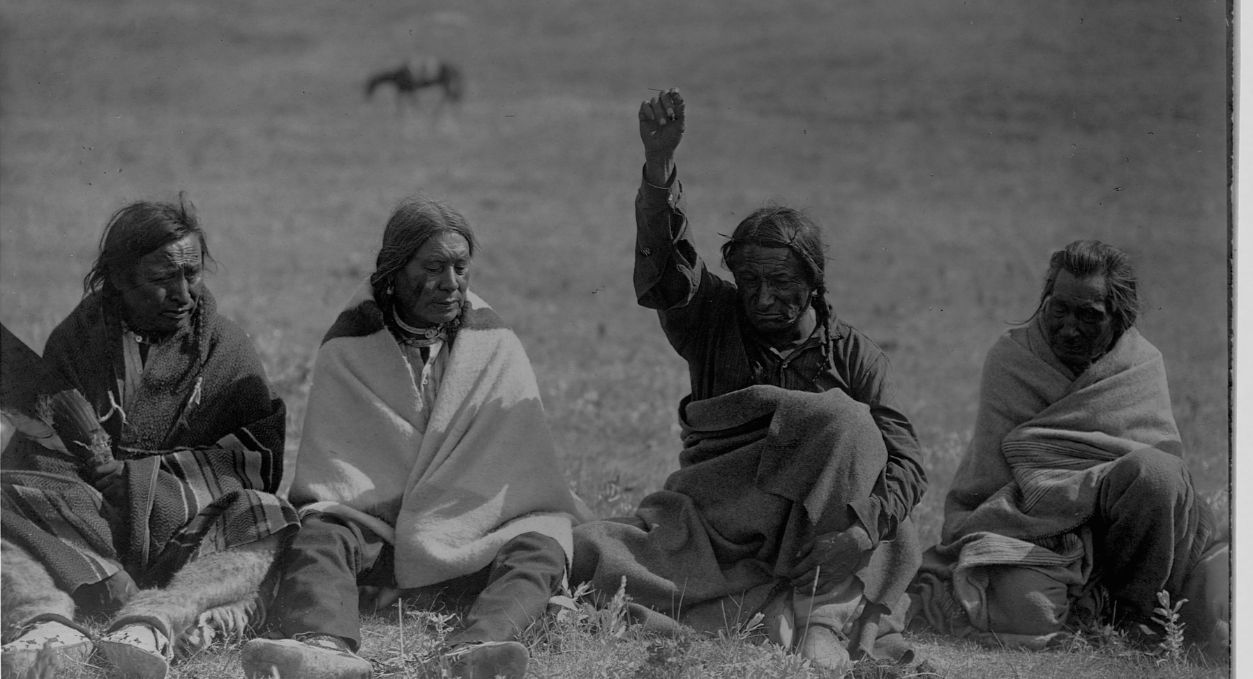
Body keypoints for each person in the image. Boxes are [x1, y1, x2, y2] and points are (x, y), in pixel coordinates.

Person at [569, 90, 928, 674]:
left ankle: (818, 616)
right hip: (722, 523)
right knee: (592, 554)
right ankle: (791, 609)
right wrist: (659, 165)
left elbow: (907, 460)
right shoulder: (711, 317)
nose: (762, 299)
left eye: (781, 283)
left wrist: (862, 533)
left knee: (852, 428)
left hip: (819, 535)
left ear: (814, 281)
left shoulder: (856, 356)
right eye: (750, 281)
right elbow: (669, 268)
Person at [241, 196, 586, 679]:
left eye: (461, 268)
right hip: (380, 534)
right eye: (433, 267)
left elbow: (517, 464)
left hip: (475, 532)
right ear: (394, 271)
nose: (451, 283)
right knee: (320, 532)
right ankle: (324, 646)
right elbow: (338, 478)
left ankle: (476, 650)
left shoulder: (496, 345)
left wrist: (453, 521)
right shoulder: (350, 346)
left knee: (541, 544)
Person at [0, 197, 298, 679]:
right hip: (90, 528)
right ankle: (45, 623)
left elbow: (254, 459)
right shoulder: (75, 341)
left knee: (267, 515)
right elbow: (43, 452)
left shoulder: (226, 348)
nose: (183, 294)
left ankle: (156, 618)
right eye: (162, 279)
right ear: (119, 278)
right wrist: (100, 501)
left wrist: (143, 482)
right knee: (5, 504)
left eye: (192, 274)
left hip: (186, 537)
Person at [909, 240, 1229, 656]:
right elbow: (989, 482)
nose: (1069, 328)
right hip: (1035, 530)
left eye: (1089, 315)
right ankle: (1085, 608)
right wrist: (1074, 500)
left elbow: (1164, 489)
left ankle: (1135, 618)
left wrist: (1097, 491)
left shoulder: (1141, 365)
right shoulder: (1013, 358)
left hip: (1129, 541)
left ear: (1119, 317)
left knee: (1157, 474)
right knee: (1028, 610)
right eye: (1059, 309)